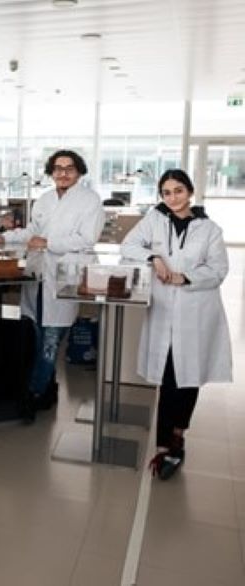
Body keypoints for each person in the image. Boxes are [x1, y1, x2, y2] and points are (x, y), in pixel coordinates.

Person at [121, 169, 232, 479]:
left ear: (190, 192)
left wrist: (186, 277)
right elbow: (128, 246)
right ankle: (165, 446)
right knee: (169, 377)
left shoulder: (210, 229)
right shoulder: (154, 220)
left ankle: (178, 436)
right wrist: (154, 257)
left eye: (178, 191)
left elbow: (219, 270)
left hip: (196, 310)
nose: (173, 198)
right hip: (163, 311)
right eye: (167, 192)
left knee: (188, 378)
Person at [0, 150, 104, 422]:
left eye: (69, 168)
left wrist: (49, 243)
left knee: (51, 341)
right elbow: (32, 233)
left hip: (64, 278)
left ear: (79, 171)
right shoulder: (45, 199)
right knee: (37, 337)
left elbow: (87, 239)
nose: (63, 173)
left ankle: (33, 395)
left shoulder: (90, 201)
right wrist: (5, 239)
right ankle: (47, 389)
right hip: (39, 277)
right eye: (58, 168)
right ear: (51, 172)